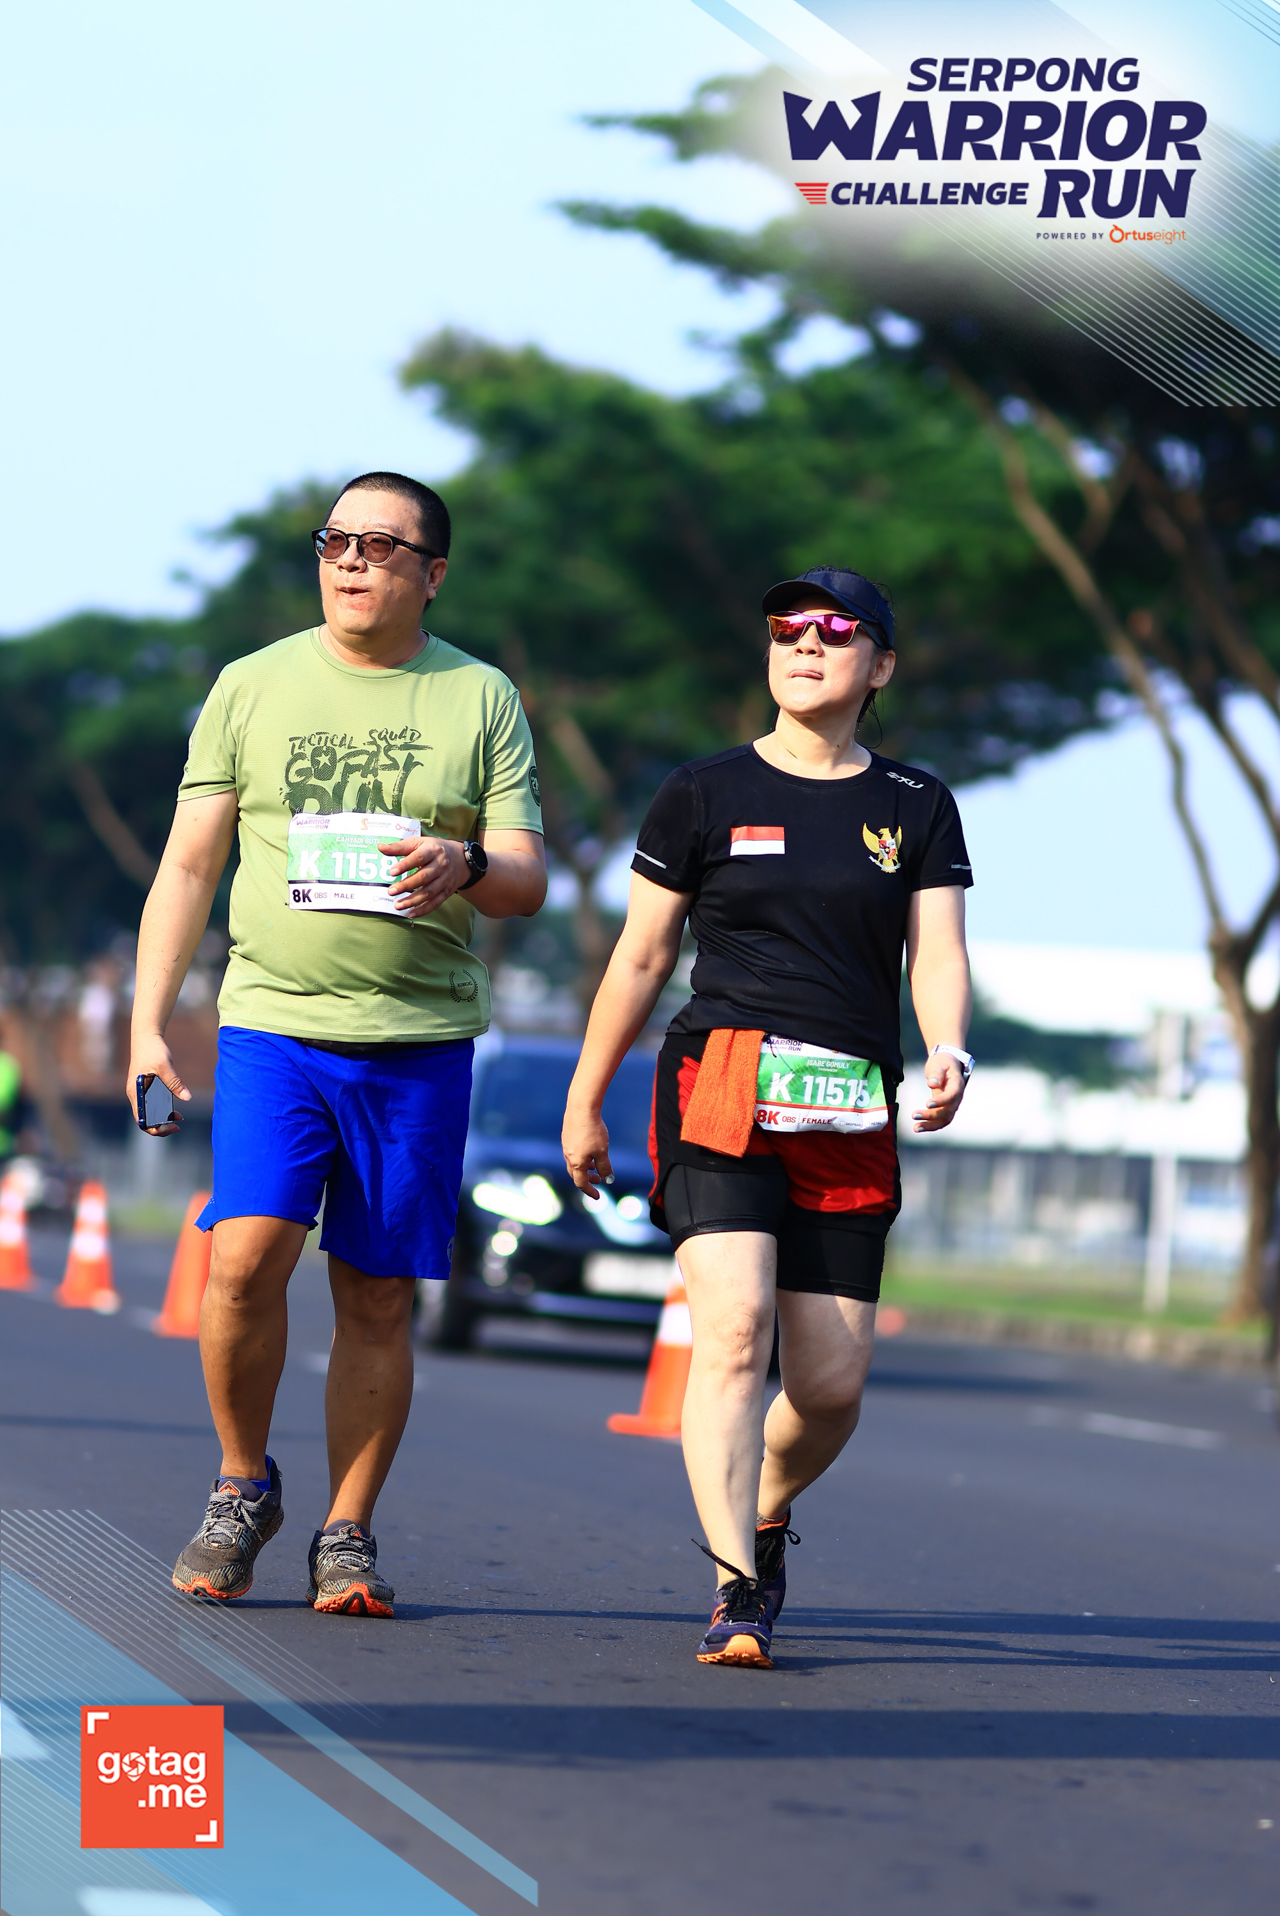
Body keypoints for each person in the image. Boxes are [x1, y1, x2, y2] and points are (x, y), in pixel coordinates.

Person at [129, 471, 546, 1617]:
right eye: (334, 540)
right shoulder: (251, 684)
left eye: (381, 544)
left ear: (432, 573)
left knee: (373, 1292)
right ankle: (239, 1484)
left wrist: (465, 863)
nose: (352, 560)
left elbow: (524, 877)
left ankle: (347, 1530)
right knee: (243, 1256)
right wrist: (148, 1020)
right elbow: (189, 865)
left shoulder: (479, 696)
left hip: (417, 1041)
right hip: (273, 1023)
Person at [562, 566, 974, 1668]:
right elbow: (641, 956)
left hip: (849, 1098)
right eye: (787, 627)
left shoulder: (915, 804)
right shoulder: (701, 792)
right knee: (736, 1329)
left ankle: (759, 1504)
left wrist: (947, 1048)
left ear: (879, 666)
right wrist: (586, 1094)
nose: (806, 643)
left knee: (830, 1388)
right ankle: (736, 1586)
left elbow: (935, 952)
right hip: (723, 1075)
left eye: (836, 629)